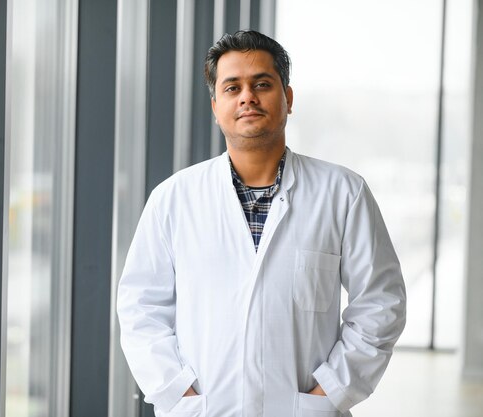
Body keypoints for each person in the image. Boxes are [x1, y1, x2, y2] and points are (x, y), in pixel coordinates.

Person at [117, 30, 406, 417]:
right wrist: (178, 393)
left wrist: (330, 393)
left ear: (287, 98)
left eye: (262, 84)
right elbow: (141, 309)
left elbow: (380, 303)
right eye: (232, 87)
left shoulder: (343, 192)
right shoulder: (173, 198)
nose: (247, 97)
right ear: (215, 105)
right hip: (204, 409)